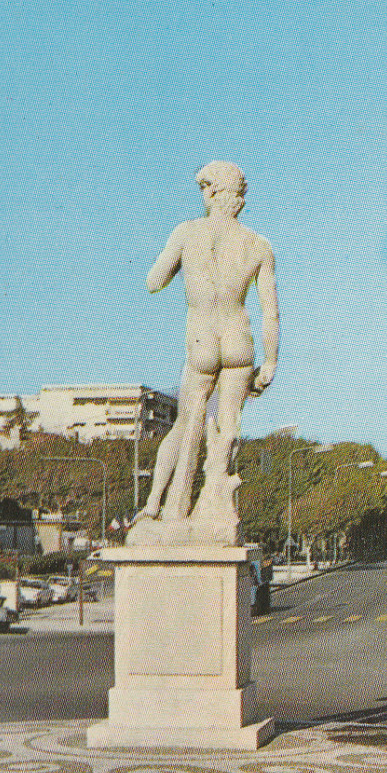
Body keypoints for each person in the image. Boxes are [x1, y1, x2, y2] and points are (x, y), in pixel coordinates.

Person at [132, 161, 278, 536]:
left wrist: (185, 264)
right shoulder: (259, 245)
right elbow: (271, 314)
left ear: (212, 192)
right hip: (238, 340)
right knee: (228, 425)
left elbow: (153, 281)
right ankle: (216, 503)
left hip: (202, 339)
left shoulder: (188, 233)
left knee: (184, 426)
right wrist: (271, 363)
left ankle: (155, 505)